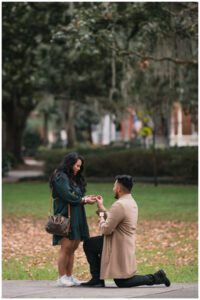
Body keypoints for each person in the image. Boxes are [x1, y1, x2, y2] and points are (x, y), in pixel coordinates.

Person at [81, 175, 171, 288]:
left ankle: (156, 277)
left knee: (123, 281)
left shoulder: (119, 205)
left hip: (117, 245)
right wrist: (101, 207)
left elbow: (106, 229)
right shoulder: (130, 202)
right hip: (124, 243)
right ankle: (97, 279)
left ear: (118, 188)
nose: (113, 189)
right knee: (90, 244)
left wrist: (101, 218)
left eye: (114, 186)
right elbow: (114, 219)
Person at [49, 152, 96, 287]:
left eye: (80, 166)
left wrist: (87, 198)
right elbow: (67, 195)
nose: (78, 169)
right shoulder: (60, 176)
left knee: (73, 247)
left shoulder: (72, 177)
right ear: (70, 164)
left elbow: (77, 195)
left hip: (76, 214)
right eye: (77, 165)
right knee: (66, 247)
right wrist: (83, 199)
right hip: (65, 215)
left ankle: (69, 276)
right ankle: (62, 276)